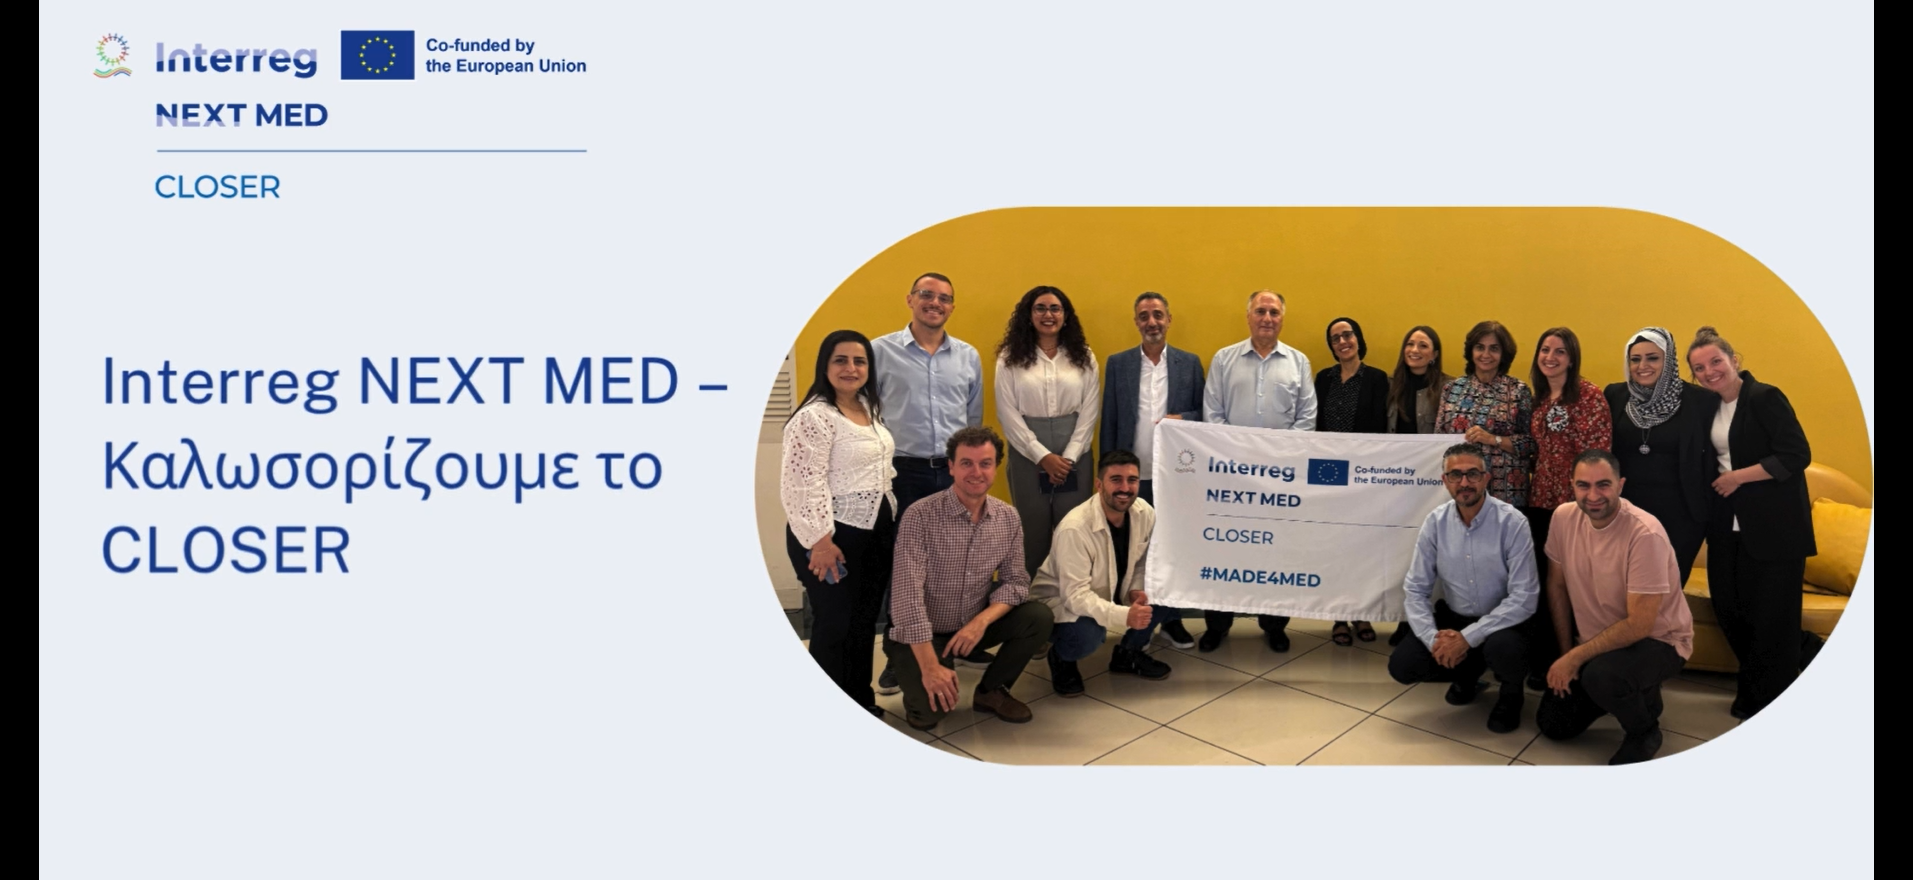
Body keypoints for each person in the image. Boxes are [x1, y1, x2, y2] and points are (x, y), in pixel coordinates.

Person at [883, 426, 1053, 731]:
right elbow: (906, 598)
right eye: (966, 463)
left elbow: (1016, 583)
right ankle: (917, 664)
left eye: (985, 463)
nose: (976, 472)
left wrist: (980, 623)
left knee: (1038, 617)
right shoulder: (919, 516)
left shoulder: (1008, 517)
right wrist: (930, 667)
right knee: (929, 715)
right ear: (951, 467)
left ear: (996, 467)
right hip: (924, 632)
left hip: (972, 626)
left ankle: (991, 691)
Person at [1688, 326, 1816, 719]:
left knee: (1772, 617)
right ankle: (1805, 651)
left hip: (1774, 527)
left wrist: (1737, 477)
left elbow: (1796, 455)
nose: (1709, 372)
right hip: (1727, 526)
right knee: (1729, 608)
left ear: (1734, 360)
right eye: (1699, 368)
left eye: (1715, 361)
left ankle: (1766, 698)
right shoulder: (1709, 407)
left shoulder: (1764, 397)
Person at [871, 272, 991, 692]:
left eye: (944, 298)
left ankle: (958, 643)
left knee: (958, 559)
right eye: (926, 294)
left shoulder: (967, 356)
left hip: (954, 472)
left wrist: (970, 469)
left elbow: (972, 420)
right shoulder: (879, 351)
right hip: (903, 471)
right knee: (904, 564)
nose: (934, 303)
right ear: (910, 299)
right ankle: (898, 654)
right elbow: (869, 413)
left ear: (952, 307)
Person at [1538, 449, 1695, 765]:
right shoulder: (1563, 517)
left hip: (1659, 641)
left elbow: (1639, 625)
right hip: (1599, 644)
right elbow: (1557, 586)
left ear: (1620, 485)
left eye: (1604, 485)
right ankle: (1627, 692)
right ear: (1572, 485)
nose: (1593, 495)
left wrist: (1575, 658)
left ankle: (1644, 730)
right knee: (1554, 724)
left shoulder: (1644, 533)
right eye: (1583, 485)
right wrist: (1567, 652)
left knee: (1603, 678)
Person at [780, 330, 897, 719]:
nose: (851, 368)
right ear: (825, 366)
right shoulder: (814, 417)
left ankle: (860, 700)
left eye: (859, 361)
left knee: (863, 622)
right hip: (831, 537)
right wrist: (820, 542)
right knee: (834, 624)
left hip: (873, 534)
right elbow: (801, 485)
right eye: (841, 360)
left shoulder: (866, 406)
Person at [1387, 444, 1538, 733]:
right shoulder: (1435, 522)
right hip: (1455, 617)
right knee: (1403, 666)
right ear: (1445, 481)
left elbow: (1525, 598)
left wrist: (1467, 638)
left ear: (1486, 478)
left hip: (1502, 622)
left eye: (1473, 474)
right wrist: (1434, 640)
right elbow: (1416, 589)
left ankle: (1511, 693)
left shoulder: (1512, 522)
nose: (1465, 482)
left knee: (1505, 649)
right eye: (1456, 475)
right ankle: (1468, 674)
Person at [1198, 289, 1317, 653]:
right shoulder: (1224, 359)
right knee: (1225, 549)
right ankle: (1218, 624)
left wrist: (1276, 461)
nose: (1267, 318)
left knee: (1277, 552)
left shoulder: (1298, 362)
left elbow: (1306, 419)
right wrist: (1241, 459)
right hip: (1232, 477)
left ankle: (1274, 624)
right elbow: (1213, 415)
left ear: (1282, 318)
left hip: (1280, 479)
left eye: (1274, 312)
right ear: (1248, 316)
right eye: (1261, 311)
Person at [1098, 292, 1204, 649]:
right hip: (1131, 478)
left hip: (1175, 478)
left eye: (1158, 314)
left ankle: (1172, 620)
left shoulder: (1190, 363)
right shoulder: (1119, 364)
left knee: (1173, 549)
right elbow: (1110, 419)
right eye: (1144, 316)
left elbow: (1203, 415)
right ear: (1136, 322)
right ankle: (1137, 622)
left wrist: (1182, 418)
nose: (1152, 322)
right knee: (1137, 551)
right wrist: (1106, 476)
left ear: (1169, 319)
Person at [1031, 450, 1177, 694]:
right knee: (1088, 634)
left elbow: (1142, 562)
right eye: (1116, 480)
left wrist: (1136, 589)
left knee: (1165, 589)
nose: (1125, 488)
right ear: (1099, 485)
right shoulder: (1075, 528)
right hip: (1060, 602)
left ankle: (1127, 654)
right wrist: (1124, 616)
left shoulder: (1144, 512)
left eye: (1132, 480)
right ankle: (1062, 658)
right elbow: (1074, 597)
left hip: (1110, 589)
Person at [1524, 327, 1611, 689]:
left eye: (1560, 351)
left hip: (1574, 506)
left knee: (1572, 585)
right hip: (1540, 502)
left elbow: (1598, 455)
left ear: (1572, 358)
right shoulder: (1540, 398)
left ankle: (1576, 662)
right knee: (1544, 583)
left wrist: (1586, 503)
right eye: (1545, 350)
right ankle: (1546, 660)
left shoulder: (1589, 396)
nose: (1551, 357)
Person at [995, 285, 1101, 576]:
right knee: (1032, 530)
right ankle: (1031, 597)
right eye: (1040, 308)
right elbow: (1007, 413)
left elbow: (1090, 411)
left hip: (1074, 452)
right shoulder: (1009, 358)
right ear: (1028, 315)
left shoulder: (1084, 357)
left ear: (1065, 316)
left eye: (1055, 308)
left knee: (1073, 529)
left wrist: (1069, 458)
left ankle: (1072, 595)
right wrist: (1042, 456)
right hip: (1027, 453)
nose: (1048, 314)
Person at [1602, 327, 1719, 586]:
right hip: (1626, 511)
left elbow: (1714, 454)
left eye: (1653, 358)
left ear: (1669, 360)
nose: (1642, 366)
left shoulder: (1701, 401)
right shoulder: (1615, 395)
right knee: (1623, 586)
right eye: (1635, 359)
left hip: (1681, 515)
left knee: (1667, 590)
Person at [1314, 316, 1391, 646]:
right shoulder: (1323, 379)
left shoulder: (1377, 379)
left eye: (1348, 335)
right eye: (1335, 338)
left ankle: (1362, 613)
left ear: (1358, 339)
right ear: (1331, 346)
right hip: (1328, 474)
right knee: (1335, 545)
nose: (1343, 341)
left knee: (1362, 547)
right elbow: (1316, 425)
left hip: (1363, 475)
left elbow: (1381, 429)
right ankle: (1338, 616)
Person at [1383, 324, 1449, 646]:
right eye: (1411, 344)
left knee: (1430, 554)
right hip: (1399, 486)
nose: (1415, 350)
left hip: (1432, 488)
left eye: (1423, 345)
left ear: (1434, 354)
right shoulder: (1391, 385)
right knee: (1402, 555)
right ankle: (1405, 619)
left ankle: (1428, 619)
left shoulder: (1448, 388)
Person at [1437, 320, 1536, 508]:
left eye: (1494, 349)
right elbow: (1439, 439)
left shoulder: (1518, 390)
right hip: (1462, 487)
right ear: (1471, 351)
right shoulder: (1452, 389)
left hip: (1505, 489)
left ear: (1504, 354)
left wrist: (1493, 439)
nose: (1486, 354)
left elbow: (1529, 444)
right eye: (1480, 347)